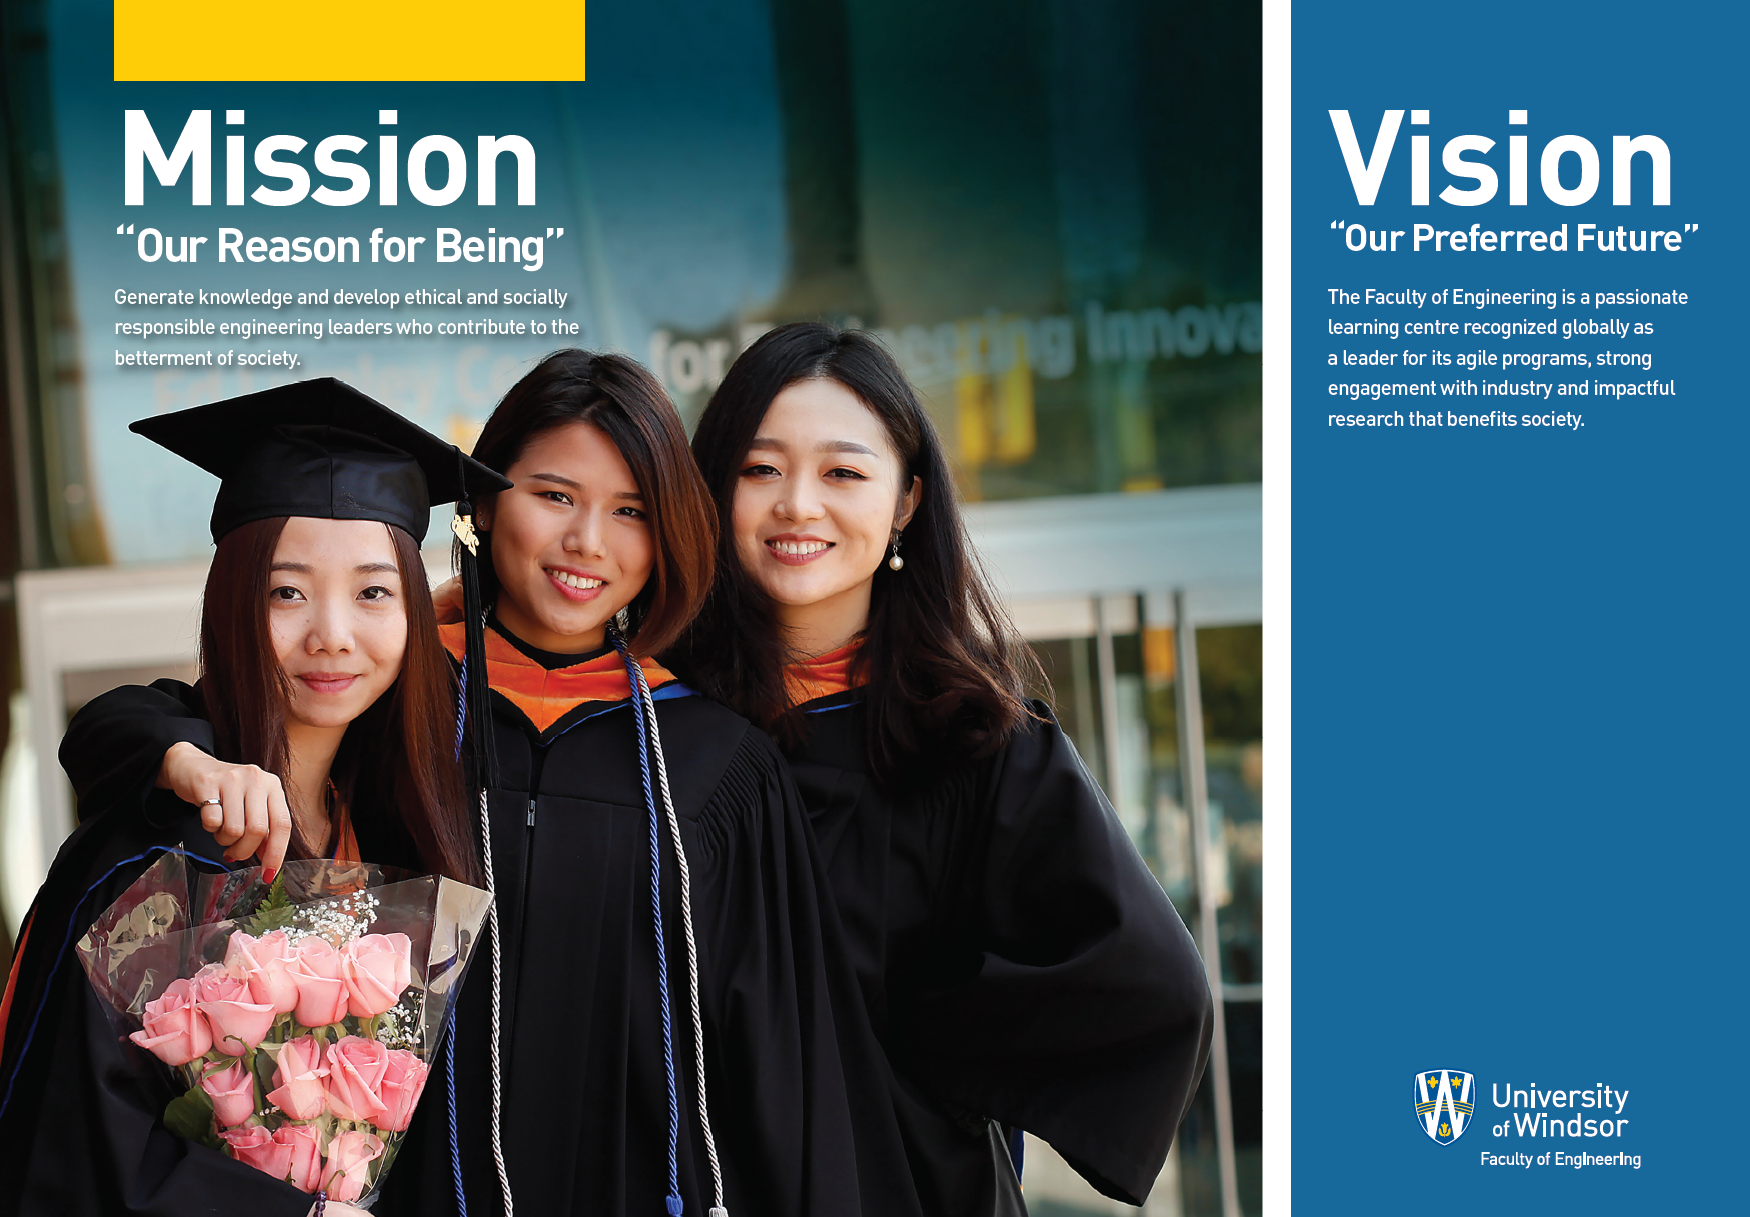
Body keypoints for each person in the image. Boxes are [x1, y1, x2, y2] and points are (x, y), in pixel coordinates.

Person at [57, 354, 897, 1217]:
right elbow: (159, 720)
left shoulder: (716, 762)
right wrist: (178, 755)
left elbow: (789, 1072)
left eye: (631, 510)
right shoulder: (400, 712)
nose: (588, 541)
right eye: (556, 495)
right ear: (486, 503)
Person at [669, 322, 1216, 1214]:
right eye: (760, 468)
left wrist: (900, 1049)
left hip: (908, 1187)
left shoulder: (976, 742)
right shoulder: (652, 726)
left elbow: (1149, 982)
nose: (797, 504)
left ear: (907, 500)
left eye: (843, 472)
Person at [0, 379, 502, 1217]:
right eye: (287, 591)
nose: (333, 632)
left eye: (375, 592)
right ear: (234, 602)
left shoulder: (388, 820)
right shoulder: (167, 845)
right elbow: (74, 1141)